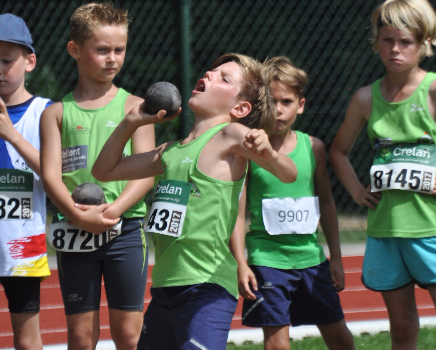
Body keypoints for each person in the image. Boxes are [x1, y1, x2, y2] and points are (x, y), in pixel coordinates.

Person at [91, 53, 297, 350]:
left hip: (207, 288)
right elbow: (104, 170)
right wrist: (131, 122)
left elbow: (288, 174)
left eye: (224, 78)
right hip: (164, 288)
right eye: (212, 71)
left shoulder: (231, 135)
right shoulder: (170, 151)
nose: (210, 75)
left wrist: (270, 153)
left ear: (240, 108)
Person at [328, 0, 436, 349]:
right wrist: (354, 191)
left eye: (405, 41)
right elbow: (338, 151)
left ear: (425, 43)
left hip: (434, 228)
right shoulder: (365, 98)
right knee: (403, 327)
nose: (395, 49)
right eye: (386, 39)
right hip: (386, 229)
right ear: (376, 41)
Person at [39, 3, 154, 350]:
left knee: (129, 335)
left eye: (119, 49)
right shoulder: (55, 114)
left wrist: (114, 210)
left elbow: (145, 175)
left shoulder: (135, 107)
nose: (112, 58)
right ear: (75, 49)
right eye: (102, 49)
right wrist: (76, 215)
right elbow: (50, 175)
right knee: (81, 337)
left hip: (126, 230)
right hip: (74, 229)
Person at [228, 56, 355, 350]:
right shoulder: (247, 150)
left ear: (301, 104)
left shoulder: (314, 148)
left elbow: (326, 202)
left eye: (287, 101)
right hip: (267, 261)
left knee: (341, 339)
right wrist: (240, 261)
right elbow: (237, 212)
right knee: (277, 346)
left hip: (311, 259)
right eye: (272, 101)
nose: (279, 110)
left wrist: (335, 256)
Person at [0, 13, 52, 350]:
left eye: (6, 59)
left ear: (30, 61)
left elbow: (53, 175)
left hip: (23, 245)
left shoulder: (46, 112)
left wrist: (10, 134)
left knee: (27, 341)